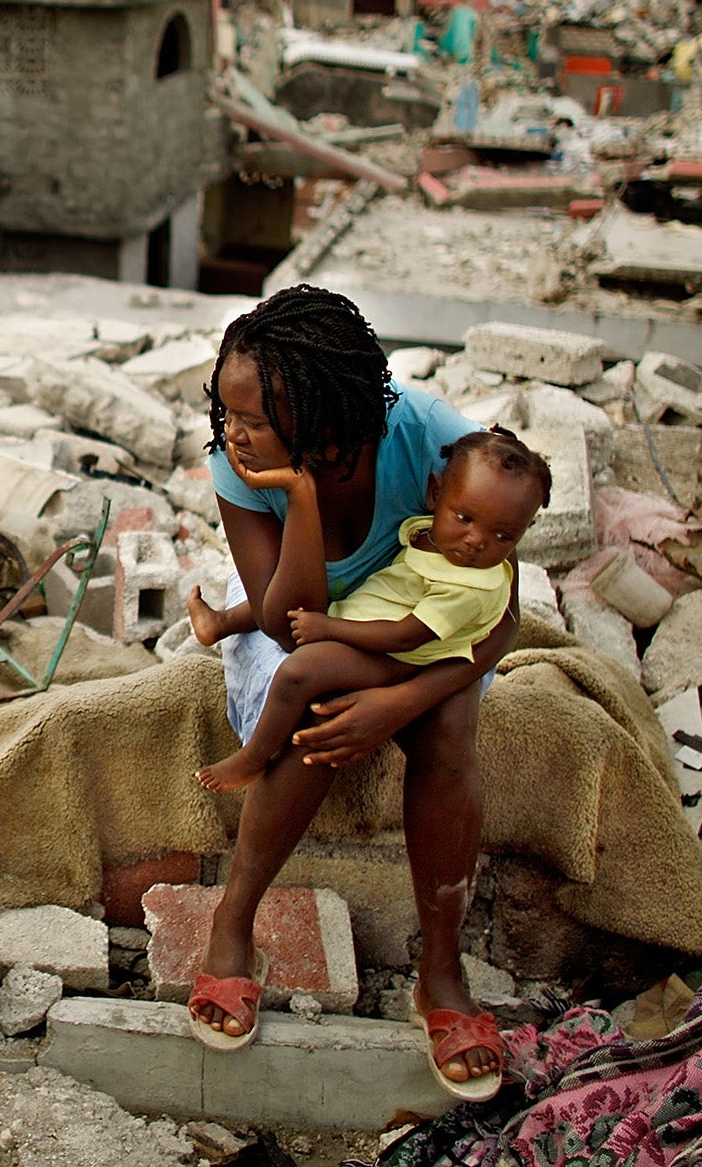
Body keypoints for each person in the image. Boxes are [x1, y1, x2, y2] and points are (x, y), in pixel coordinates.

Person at [180, 286, 519, 1103]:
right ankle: (234, 923)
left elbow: (502, 611)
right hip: (311, 626)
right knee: (312, 716)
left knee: (446, 738)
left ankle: (439, 972)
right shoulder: (241, 465)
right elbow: (285, 621)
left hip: (419, 627)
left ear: (328, 410)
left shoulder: (432, 438)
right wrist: (295, 495)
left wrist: (402, 705)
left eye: (254, 417)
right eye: (227, 414)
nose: (233, 433)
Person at [189, 428, 550, 794]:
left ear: (524, 532)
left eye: (503, 536)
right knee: (302, 593)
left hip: (401, 656)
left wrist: (329, 628)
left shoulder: (471, 587)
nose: (476, 541)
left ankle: (254, 757)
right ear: (435, 494)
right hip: (375, 613)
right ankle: (222, 622)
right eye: (464, 518)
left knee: (297, 673)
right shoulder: (434, 536)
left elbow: (407, 635)